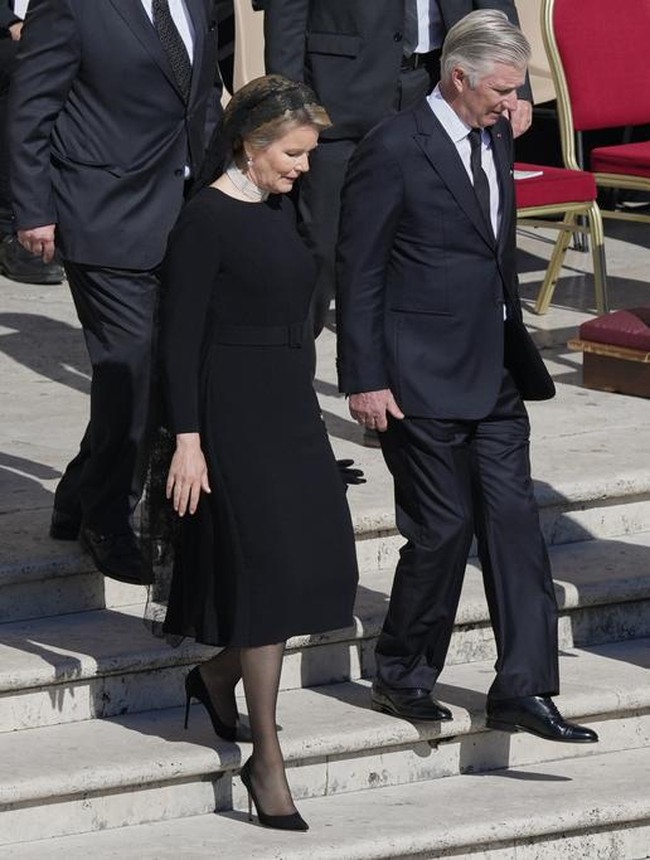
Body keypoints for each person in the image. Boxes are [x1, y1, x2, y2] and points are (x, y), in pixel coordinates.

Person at [336, 11, 598, 745]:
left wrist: (503, 122)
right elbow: (358, 271)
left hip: (494, 373)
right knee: (444, 529)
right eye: (505, 90)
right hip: (414, 375)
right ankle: (403, 671)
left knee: (515, 529)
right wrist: (363, 376)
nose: (517, 106)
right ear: (458, 78)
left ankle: (523, 686)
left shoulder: (491, 132)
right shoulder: (393, 147)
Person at [160, 75, 359, 831]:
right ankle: (267, 759)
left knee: (323, 562)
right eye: (293, 152)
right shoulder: (203, 220)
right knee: (266, 575)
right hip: (228, 410)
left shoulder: (282, 207)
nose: (304, 166)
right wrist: (187, 440)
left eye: (308, 152)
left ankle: (215, 673)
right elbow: (176, 341)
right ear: (249, 145)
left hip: (289, 404)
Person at [8, 0, 222, 583]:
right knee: (132, 364)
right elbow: (30, 109)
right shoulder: (74, 6)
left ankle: (78, 491)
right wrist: (32, 209)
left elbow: (201, 106)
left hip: (179, 214)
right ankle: (105, 518)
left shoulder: (197, 5)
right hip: (100, 214)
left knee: (150, 365)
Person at [263, 0, 533, 341]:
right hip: (338, 93)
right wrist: (288, 103)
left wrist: (514, 86)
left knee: (424, 241)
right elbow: (287, 10)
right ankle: (288, 363)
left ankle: (410, 372)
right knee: (323, 245)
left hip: (437, 86)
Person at [0, 0, 63, 284]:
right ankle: (9, 229)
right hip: (11, 36)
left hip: (56, 37)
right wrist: (10, 23)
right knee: (20, 70)